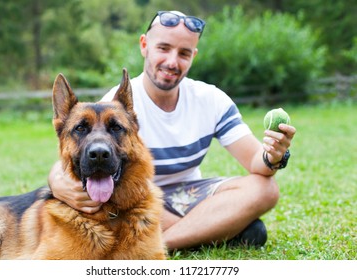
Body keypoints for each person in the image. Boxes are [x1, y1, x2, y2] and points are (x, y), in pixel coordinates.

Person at [48, 10, 296, 250]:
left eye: (184, 53)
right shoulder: (116, 105)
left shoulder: (212, 99)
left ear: (193, 56)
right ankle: (213, 231)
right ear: (144, 45)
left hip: (191, 197)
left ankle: (163, 243)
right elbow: (78, 154)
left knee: (266, 189)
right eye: (163, 48)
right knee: (124, 203)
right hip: (136, 201)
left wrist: (274, 155)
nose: (172, 62)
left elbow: (256, 161)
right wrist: (55, 182)